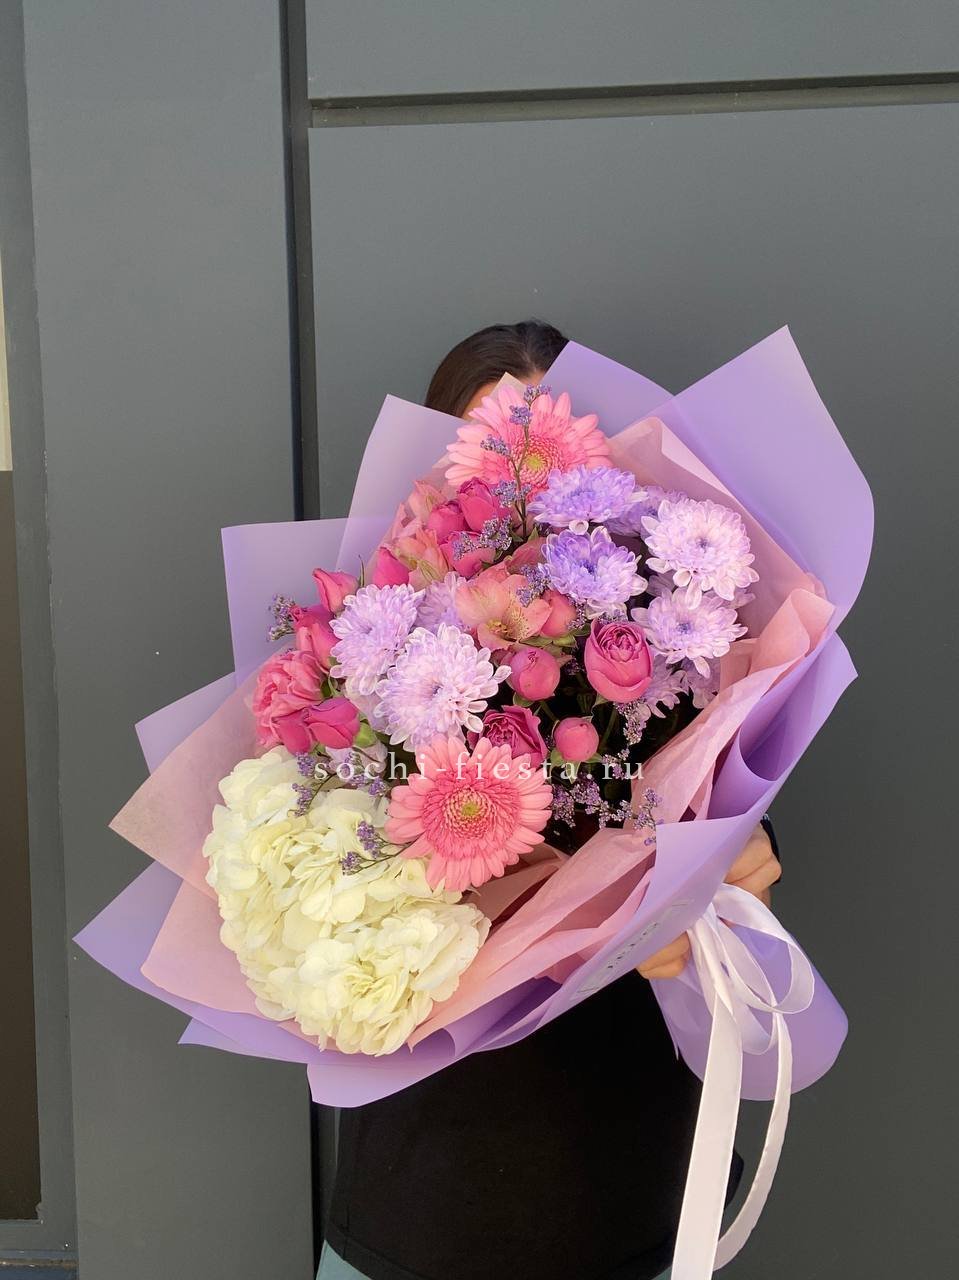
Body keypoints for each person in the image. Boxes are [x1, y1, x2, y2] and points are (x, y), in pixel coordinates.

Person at [317, 321, 782, 1280]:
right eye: (488, 454)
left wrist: (731, 877)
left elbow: (727, 817)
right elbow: (325, 907)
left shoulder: (668, 644)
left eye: (544, 451)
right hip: (432, 1192)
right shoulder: (362, 673)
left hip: (628, 1174)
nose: (518, 483)